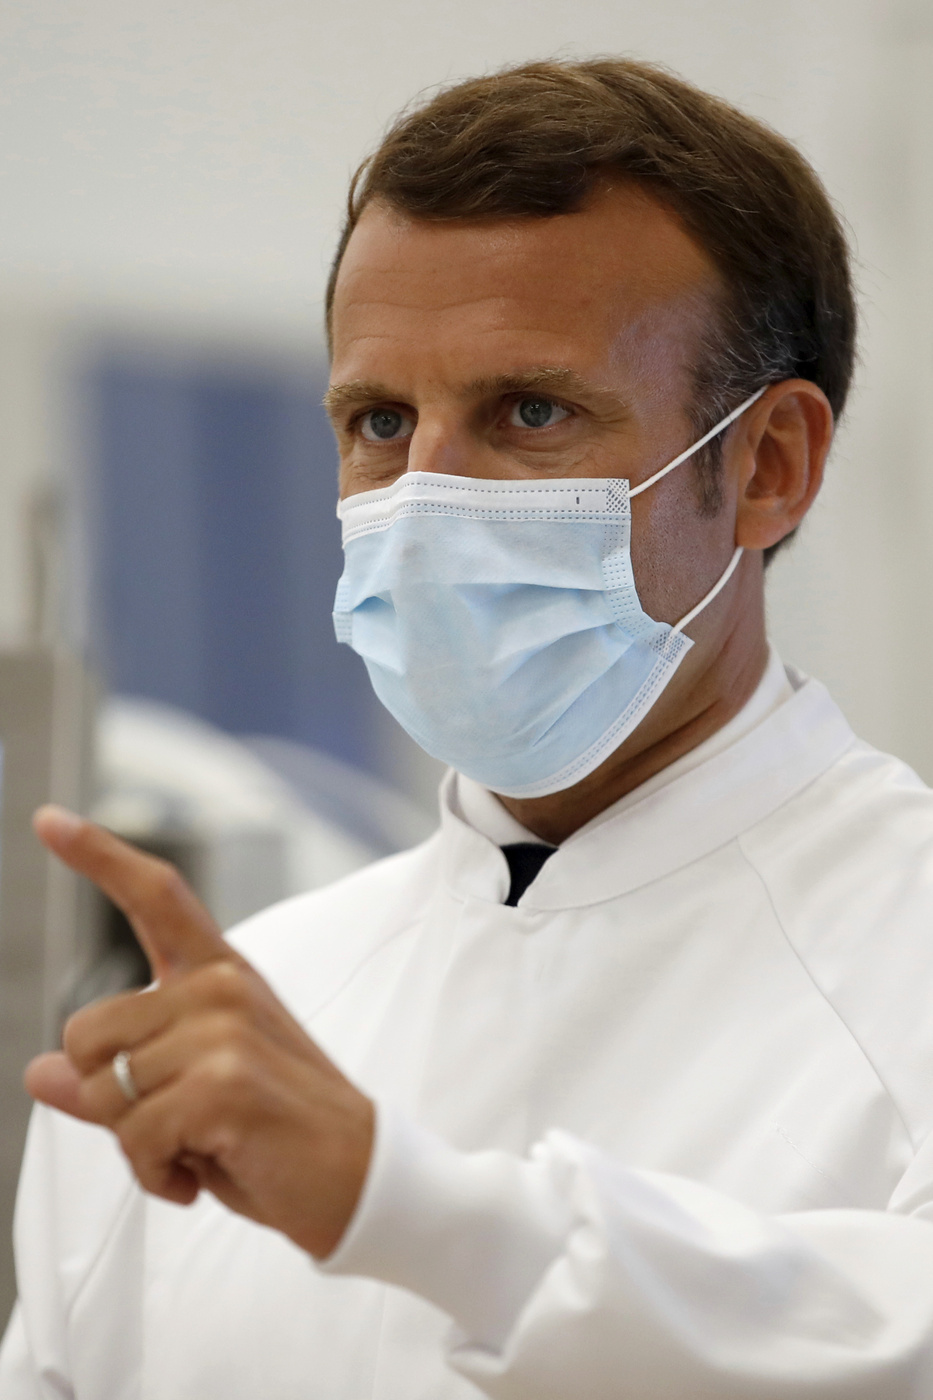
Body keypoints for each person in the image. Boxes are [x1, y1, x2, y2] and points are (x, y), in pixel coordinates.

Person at [3, 55, 933, 1400]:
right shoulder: (211, 1040)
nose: (424, 503)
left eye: (529, 413)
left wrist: (395, 1200)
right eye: (378, 422)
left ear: (766, 466)